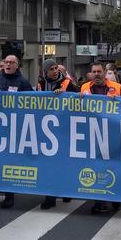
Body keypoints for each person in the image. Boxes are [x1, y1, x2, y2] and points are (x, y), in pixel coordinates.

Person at [0, 54, 33, 207]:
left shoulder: (24, 83)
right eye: (6, 62)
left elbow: (31, 104)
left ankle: (9, 196)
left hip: (15, 130)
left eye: (11, 62)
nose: (7, 64)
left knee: (9, 162)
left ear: (17, 66)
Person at [79, 61, 121, 214]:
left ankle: (116, 198)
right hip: (93, 133)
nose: (96, 74)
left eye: (99, 71)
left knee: (113, 165)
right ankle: (99, 201)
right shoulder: (84, 88)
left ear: (104, 72)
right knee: (96, 166)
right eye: (94, 72)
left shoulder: (117, 88)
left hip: (112, 132)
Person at [38, 59, 78, 210]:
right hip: (47, 130)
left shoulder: (68, 84)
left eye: (56, 68)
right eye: (52, 69)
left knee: (64, 163)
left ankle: (66, 191)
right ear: (45, 72)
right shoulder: (41, 84)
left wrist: (65, 96)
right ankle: (51, 197)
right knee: (50, 165)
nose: (55, 71)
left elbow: (79, 102)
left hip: (65, 130)